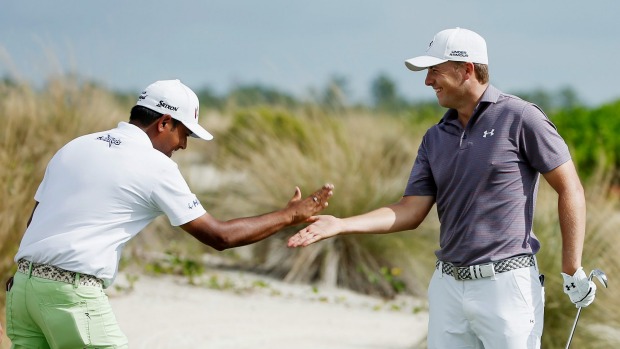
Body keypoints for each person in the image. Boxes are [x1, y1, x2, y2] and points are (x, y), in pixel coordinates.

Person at [288, 27, 595, 348]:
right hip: (448, 286)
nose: (427, 81)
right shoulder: (435, 137)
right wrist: (340, 225)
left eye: (435, 70)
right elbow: (410, 210)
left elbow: (570, 188)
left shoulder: (520, 117)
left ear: (467, 70)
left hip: (507, 286)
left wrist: (571, 269)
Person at [6, 79, 334, 349]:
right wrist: (288, 216)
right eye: (185, 133)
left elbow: (35, 221)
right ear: (164, 122)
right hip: (71, 296)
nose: (184, 146)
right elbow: (220, 236)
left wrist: (31, 282)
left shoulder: (75, 146)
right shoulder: (156, 165)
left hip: (21, 290)